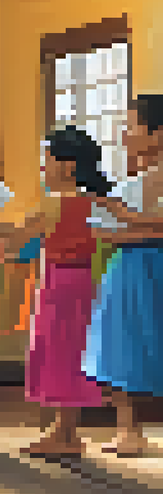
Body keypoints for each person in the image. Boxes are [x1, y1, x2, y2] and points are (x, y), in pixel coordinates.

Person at [0, 126, 113, 456]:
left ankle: (64, 432)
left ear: (67, 166)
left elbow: (14, 235)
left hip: (61, 285)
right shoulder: (95, 202)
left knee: (60, 353)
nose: (43, 167)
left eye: (47, 159)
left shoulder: (56, 203)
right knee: (73, 353)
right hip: (84, 283)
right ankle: (65, 430)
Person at [84, 95, 163, 456]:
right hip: (128, 269)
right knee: (118, 343)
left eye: (131, 126)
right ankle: (128, 430)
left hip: (146, 266)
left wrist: (130, 224)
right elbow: (100, 230)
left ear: (157, 133)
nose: (124, 134)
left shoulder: (124, 194)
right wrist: (145, 232)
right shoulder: (129, 186)